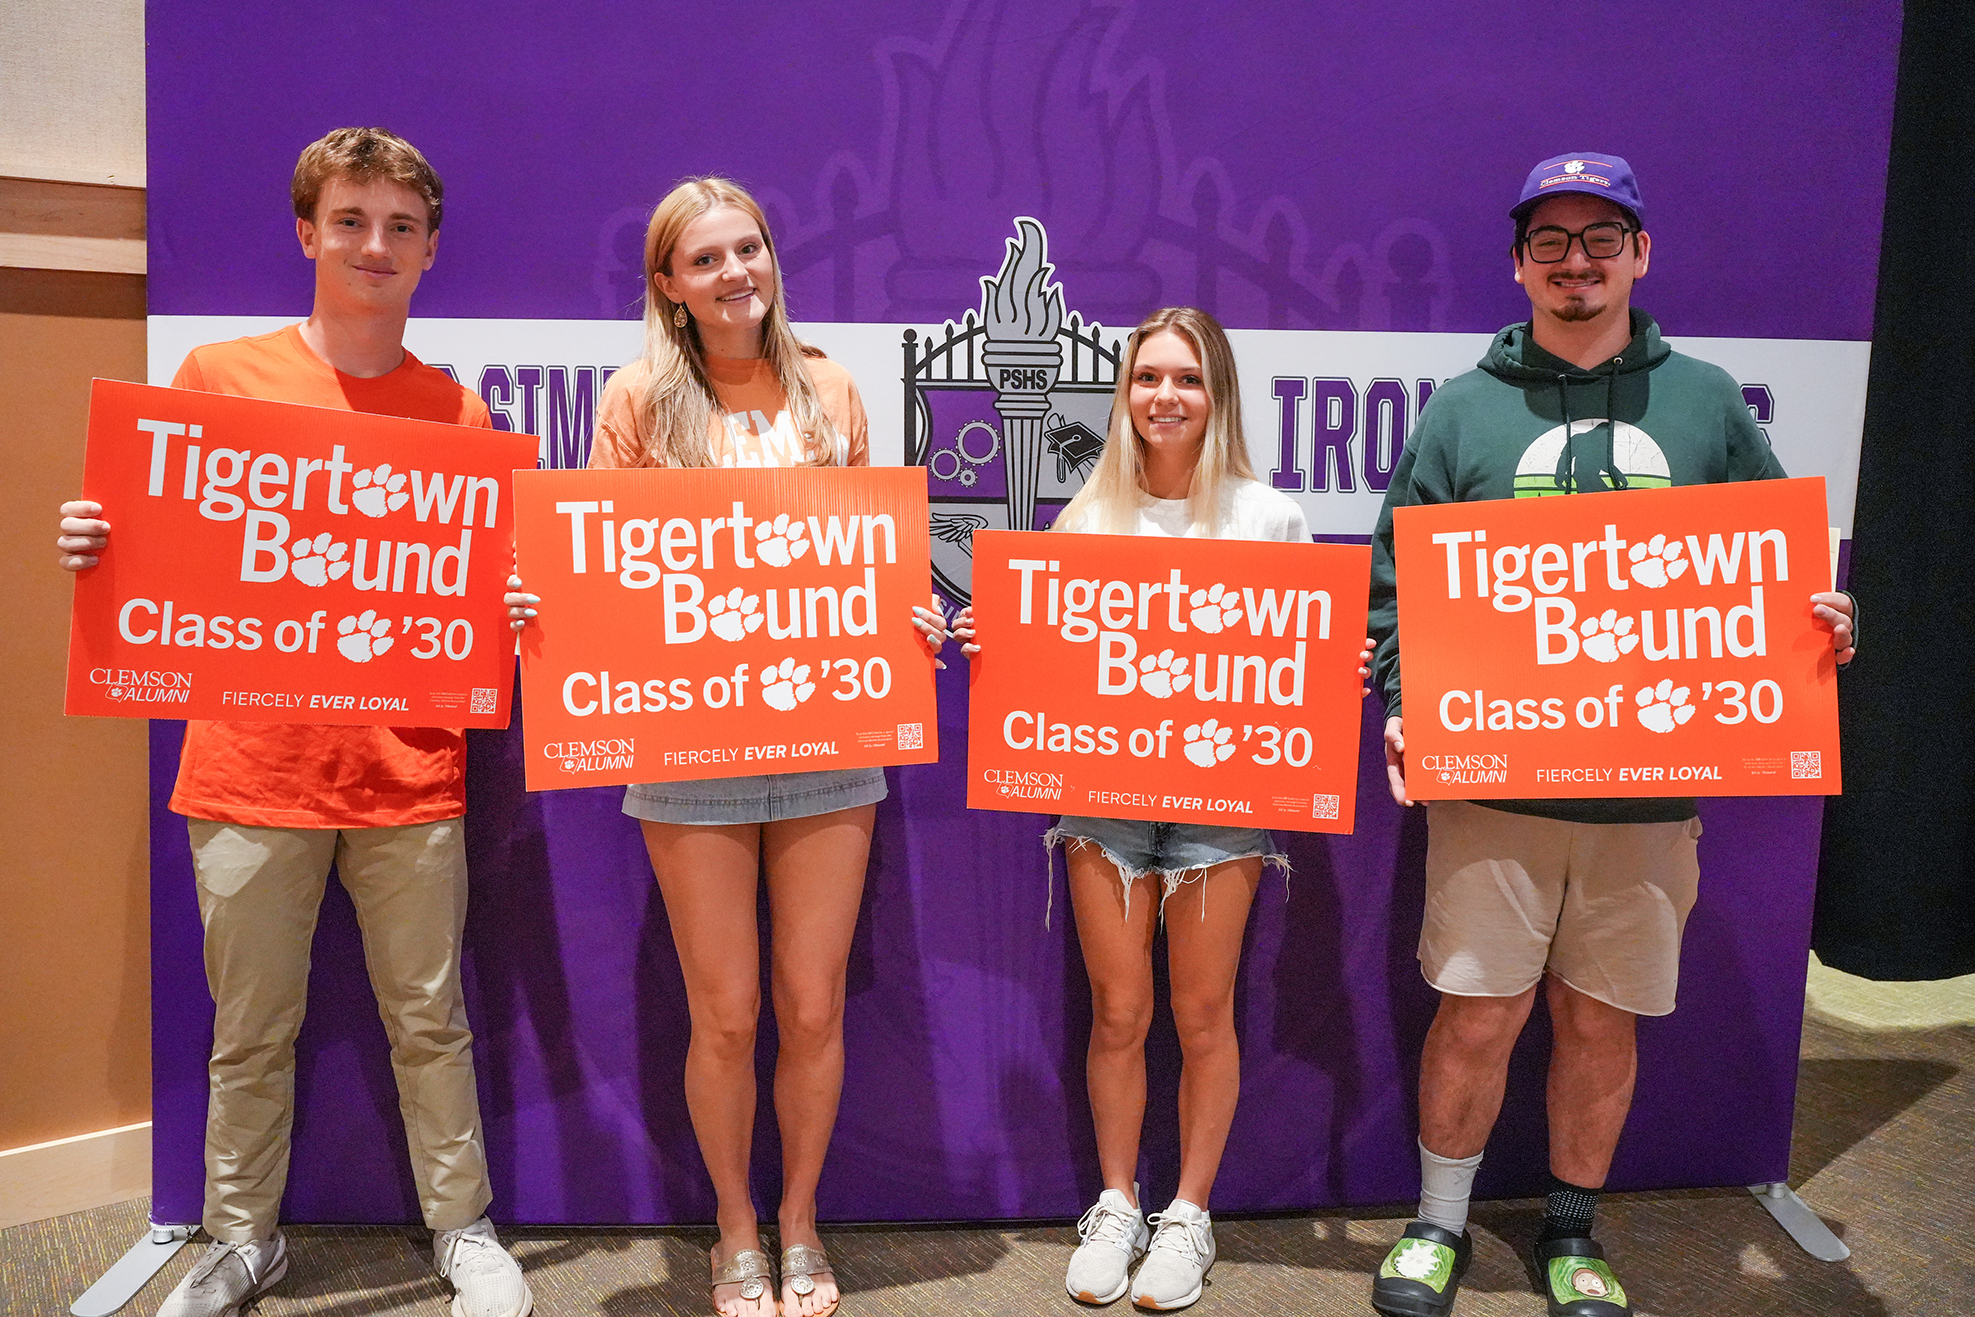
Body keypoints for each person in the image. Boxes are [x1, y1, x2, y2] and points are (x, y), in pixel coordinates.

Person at [1365, 153, 1858, 1317]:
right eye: (1550, 241)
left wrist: (1822, 621)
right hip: (1491, 786)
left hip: (1646, 800)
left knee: (1600, 1017)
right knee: (1477, 1011)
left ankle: (1571, 1235)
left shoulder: (1705, 401)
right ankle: (1437, 1228)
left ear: (1640, 254)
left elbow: (1770, 579)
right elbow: (1394, 582)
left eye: (1601, 238)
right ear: (1519, 263)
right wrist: (1401, 701)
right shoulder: (1462, 407)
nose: (1575, 261)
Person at [55, 128, 531, 1317]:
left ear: (428, 250)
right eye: (351, 220)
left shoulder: (457, 417)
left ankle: (462, 1228)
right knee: (249, 1032)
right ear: (308, 232)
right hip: (246, 774)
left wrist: (513, 600)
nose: (375, 245)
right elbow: (164, 559)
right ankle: (236, 1239)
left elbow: (478, 603)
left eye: (400, 227)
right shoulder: (218, 380)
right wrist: (98, 549)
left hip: (409, 778)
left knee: (432, 1022)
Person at [505, 176, 946, 1317]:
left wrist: (909, 614)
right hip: (687, 746)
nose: (734, 272)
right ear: (668, 284)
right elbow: (603, 570)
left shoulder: (832, 388)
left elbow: (872, 557)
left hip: (830, 733)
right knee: (729, 1016)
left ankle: (799, 1220)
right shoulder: (639, 400)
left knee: (812, 1007)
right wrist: (541, 605)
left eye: (747, 247)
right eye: (704, 259)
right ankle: (733, 1227)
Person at [955, 307, 1369, 1311]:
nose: (1164, 396)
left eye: (1186, 378)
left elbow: (1300, 663)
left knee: (1200, 1010)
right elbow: (1054, 668)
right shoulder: (1084, 519)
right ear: (1123, 394)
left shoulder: (1268, 516)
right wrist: (998, 652)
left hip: (1224, 798)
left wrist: (1336, 670)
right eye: (1147, 378)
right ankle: (1115, 1200)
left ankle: (1187, 1214)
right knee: (1120, 1010)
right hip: (1101, 795)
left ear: (1215, 394)